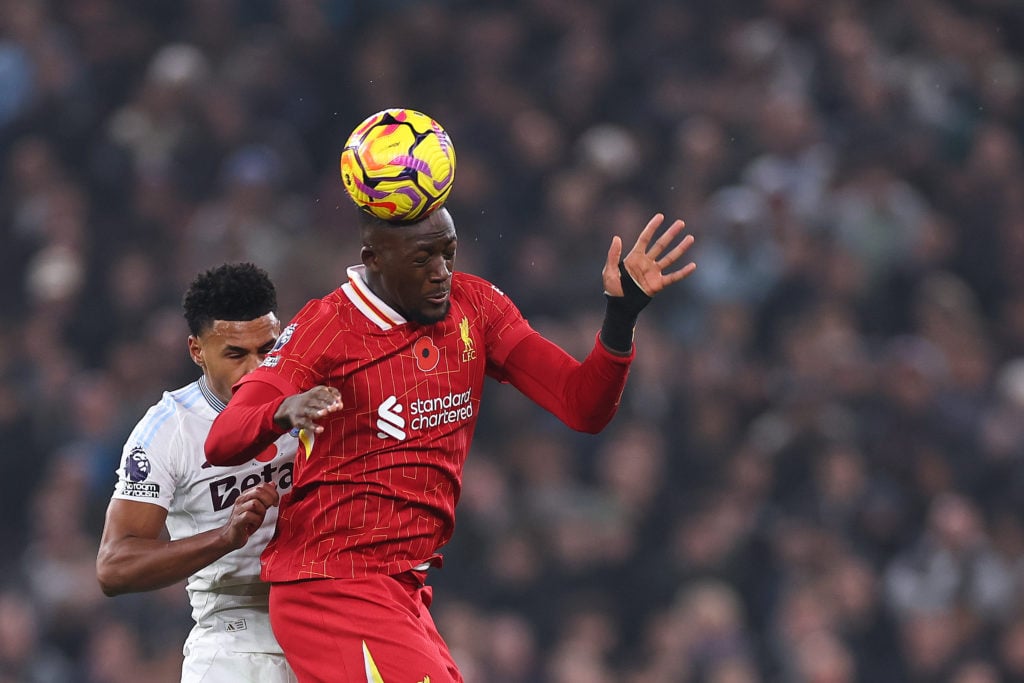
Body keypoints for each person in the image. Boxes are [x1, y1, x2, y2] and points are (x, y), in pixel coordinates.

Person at [204, 206, 696, 682]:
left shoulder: (475, 307)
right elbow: (223, 439)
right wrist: (282, 410)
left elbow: (582, 406)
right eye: (423, 260)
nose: (441, 273)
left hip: (403, 588)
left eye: (449, 253)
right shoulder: (326, 326)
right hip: (334, 587)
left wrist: (621, 315)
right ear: (374, 258)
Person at [96, 262, 298, 683]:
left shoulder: (306, 396)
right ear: (196, 351)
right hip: (237, 642)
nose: (257, 368)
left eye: (268, 348)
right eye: (236, 354)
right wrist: (225, 538)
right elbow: (113, 567)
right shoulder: (168, 431)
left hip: (328, 618)